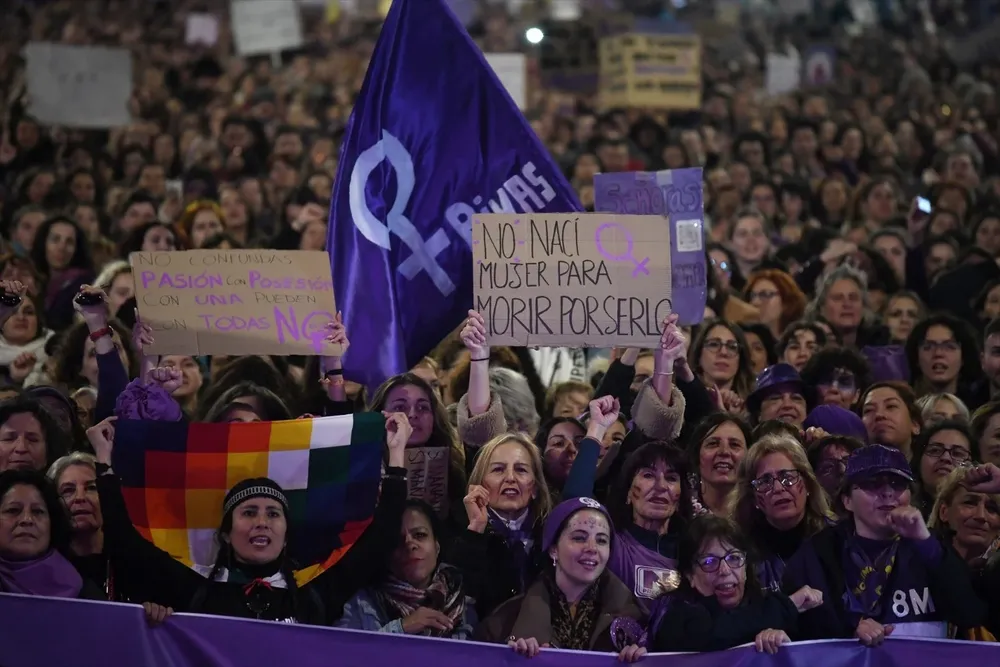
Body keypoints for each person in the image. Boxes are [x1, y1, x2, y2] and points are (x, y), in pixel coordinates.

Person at [90, 407, 411, 624]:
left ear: (287, 534)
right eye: (248, 512)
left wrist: (396, 457)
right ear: (227, 532)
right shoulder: (194, 591)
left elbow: (378, 543)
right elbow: (126, 545)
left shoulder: (315, 593)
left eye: (273, 514)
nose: (262, 521)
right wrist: (104, 464)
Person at [784, 445, 987, 642]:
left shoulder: (933, 548)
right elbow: (796, 627)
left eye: (898, 484)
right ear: (847, 500)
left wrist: (925, 543)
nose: (888, 493)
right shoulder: (817, 554)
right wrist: (849, 628)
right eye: (873, 483)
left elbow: (969, 614)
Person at [475, 497, 647, 662]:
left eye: (602, 540)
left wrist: (641, 662)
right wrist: (509, 660)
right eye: (579, 538)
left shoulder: (636, 621)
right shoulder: (504, 621)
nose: (592, 548)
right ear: (553, 549)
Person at [651, 515, 817, 653]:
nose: (724, 570)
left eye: (734, 558)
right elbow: (713, 633)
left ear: (745, 568)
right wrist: (788, 605)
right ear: (690, 576)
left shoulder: (762, 607)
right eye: (709, 561)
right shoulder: (674, 613)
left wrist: (781, 646)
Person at [338, 499, 477, 639]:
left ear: (437, 546)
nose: (410, 544)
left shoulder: (462, 604)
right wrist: (401, 628)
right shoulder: (362, 605)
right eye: (398, 540)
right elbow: (341, 656)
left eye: (420, 535)